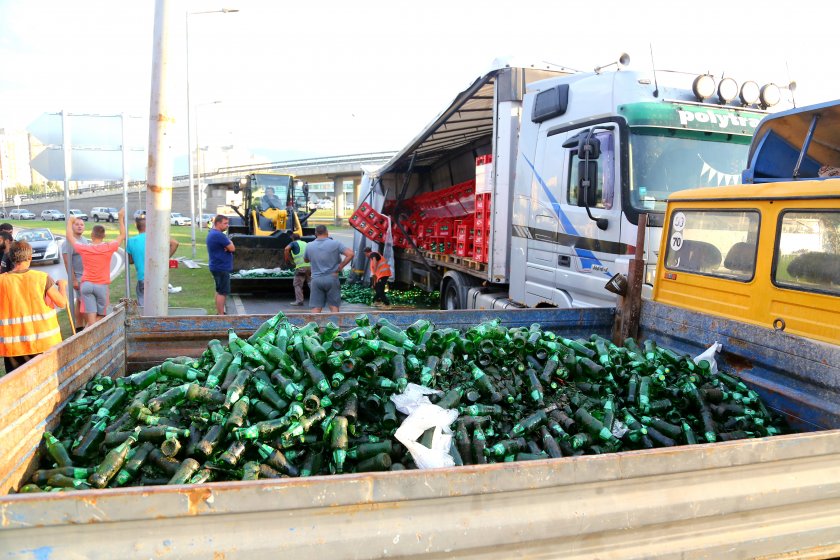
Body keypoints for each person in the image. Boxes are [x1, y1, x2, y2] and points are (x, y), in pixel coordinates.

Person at [0, 241, 67, 373]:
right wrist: (63, 286)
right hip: (43, 344)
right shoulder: (42, 278)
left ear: (11, 258)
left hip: (13, 348)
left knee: (19, 387)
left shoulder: (1, 281)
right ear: (30, 257)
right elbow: (62, 303)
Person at [66, 208, 126, 327]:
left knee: (91, 319)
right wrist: (120, 218)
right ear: (104, 236)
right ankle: (90, 333)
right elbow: (122, 235)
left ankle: (87, 334)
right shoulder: (109, 247)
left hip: (86, 285)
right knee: (101, 317)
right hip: (101, 286)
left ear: (92, 235)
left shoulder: (85, 248)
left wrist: (70, 222)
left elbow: (69, 236)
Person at [125, 215, 180, 308]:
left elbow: (130, 261)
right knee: (159, 304)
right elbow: (175, 243)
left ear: (137, 226)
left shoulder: (131, 241)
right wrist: (164, 259)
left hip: (143, 277)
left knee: (144, 306)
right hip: (158, 277)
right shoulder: (156, 237)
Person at [304, 224, 354, 313]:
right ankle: (334, 326)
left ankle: (314, 326)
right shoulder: (336, 243)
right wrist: (340, 266)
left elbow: (306, 260)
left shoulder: (309, 245)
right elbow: (350, 254)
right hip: (332, 277)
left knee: (316, 308)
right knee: (334, 306)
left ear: (316, 233)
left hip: (316, 279)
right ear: (327, 232)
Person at [62, 217, 90, 328]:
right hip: (78, 278)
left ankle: (79, 326)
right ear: (72, 226)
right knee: (85, 303)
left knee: (80, 302)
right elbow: (67, 262)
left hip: (86, 276)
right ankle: (90, 326)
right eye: (76, 224)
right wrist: (73, 280)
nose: (79, 226)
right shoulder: (68, 242)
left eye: (81, 224)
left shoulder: (84, 240)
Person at [207, 214, 235, 315]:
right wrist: (229, 243)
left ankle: (220, 312)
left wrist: (228, 243)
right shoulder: (219, 235)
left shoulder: (212, 233)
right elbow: (232, 248)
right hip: (221, 267)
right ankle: (221, 315)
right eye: (225, 223)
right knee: (223, 292)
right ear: (218, 223)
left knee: (219, 290)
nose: (227, 225)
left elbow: (229, 246)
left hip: (216, 266)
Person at [284, 232, 310, 306]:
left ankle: (299, 301)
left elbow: (286, 249)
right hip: (310, 267)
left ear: (292, 239)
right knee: (311, 283)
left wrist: (288, 260)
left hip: (301, 267)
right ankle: (316, 300)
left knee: (297, 284)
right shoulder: (306, 243)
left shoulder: (293, 243)